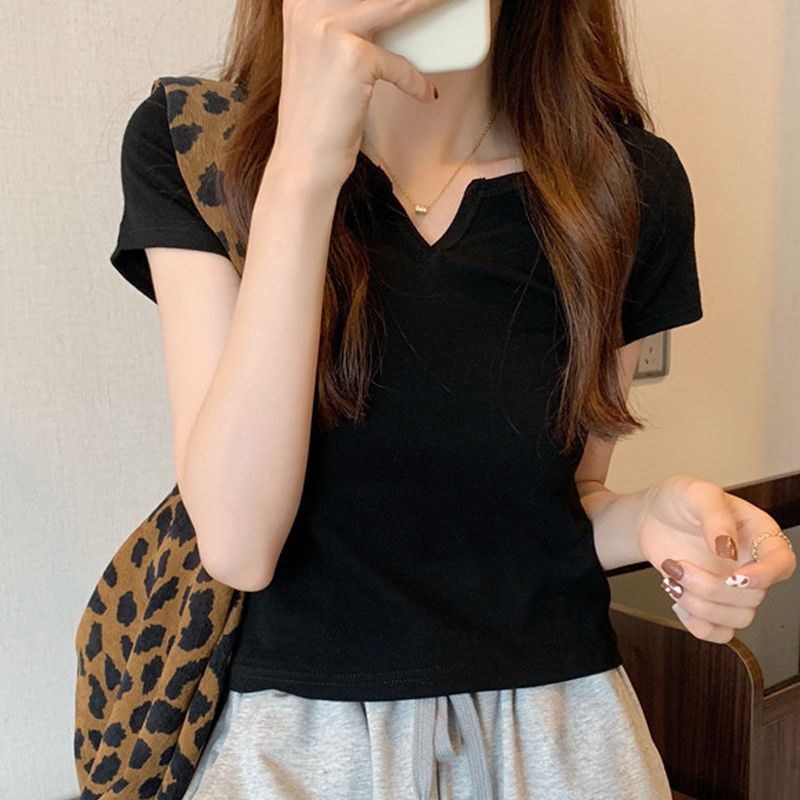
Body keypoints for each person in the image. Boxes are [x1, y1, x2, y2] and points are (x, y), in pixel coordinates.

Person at [109, 0, 797, 797]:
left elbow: (563, 501)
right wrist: (301, 170)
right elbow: (237, 543)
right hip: (302, 748)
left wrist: (650, 517)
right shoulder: (200, 148)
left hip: (559, 737)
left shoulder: (621, 185)